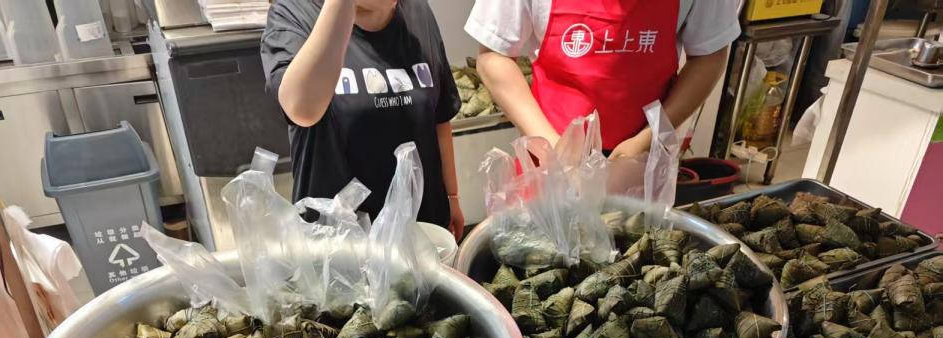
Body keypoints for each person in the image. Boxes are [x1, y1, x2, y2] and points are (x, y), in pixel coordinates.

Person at [262, 0, 465, 239]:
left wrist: (451, 196)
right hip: (340, 243)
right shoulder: (295, 12)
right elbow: (302, 109)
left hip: (422, 231)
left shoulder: (417, 10)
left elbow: (439, 117)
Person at [465, 0, 740, 156]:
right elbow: (493, 56)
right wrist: (550, 145)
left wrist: (646, 139)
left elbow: (709, 55)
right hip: (549, 149)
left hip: (643, 157)